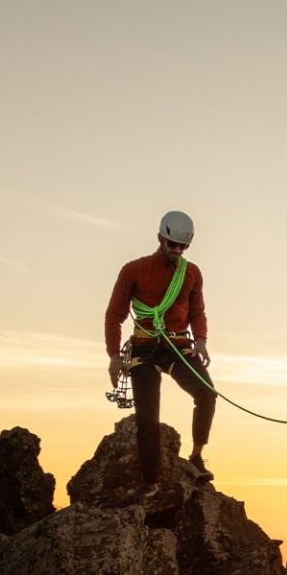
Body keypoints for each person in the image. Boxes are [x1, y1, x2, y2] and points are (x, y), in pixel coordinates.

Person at [104, 210, 216, 498]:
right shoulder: (134, 270)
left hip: (177, 346)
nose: (177, 251)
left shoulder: (191, 273)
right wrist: (114, 356)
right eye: (172, 245)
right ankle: (151, 484)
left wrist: (201, 340)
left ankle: (196, 457)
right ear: (160, 239)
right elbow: (114, 315)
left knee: (207, 394)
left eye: (183, 246)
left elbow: (197, 312)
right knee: (148, 418)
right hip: (144, 348)